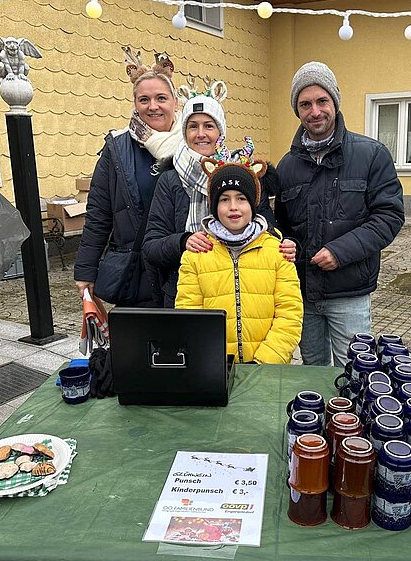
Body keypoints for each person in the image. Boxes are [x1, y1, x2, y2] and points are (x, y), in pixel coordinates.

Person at [276, 61, 405, 367]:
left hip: (350, 294)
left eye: (322, 101)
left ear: (334, 102)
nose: (315, 111)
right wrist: (287, 244)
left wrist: (339, 252)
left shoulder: (371, 154)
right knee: (313, 370)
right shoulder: (287, 166)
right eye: (305, 104)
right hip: (303, 294)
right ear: (297, 110)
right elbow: (282, 226)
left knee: (355, 369)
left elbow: (389, 216)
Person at [143, 78, 295, 308]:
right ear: (185, 132)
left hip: (244, 292)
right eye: (193, 126)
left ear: (220, 131)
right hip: (186, 293)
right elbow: (152, 246)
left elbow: (268, 230)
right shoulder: (170, 179)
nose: (201, 134)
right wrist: (183, 241)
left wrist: (285, 246)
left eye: (209, 126)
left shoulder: (244, 174)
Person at [74, 48, 182, 307]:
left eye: (161, 98)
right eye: (144, 99)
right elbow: (99, 213)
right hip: (136, 273)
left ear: (175, 102)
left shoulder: (193, 145)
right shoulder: (117, 149)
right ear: (135, 104)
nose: (153, 106)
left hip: (185, 270)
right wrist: (86, 270)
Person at [175, 145, 303, 364]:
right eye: (224, 199)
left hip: (267, 369)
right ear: (214, 205)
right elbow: (189, 315)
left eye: (241, 198)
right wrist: (212, 360)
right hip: (217, 366)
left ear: (253, 203)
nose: (233, 207)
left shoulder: (276, 251)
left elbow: (290, 314)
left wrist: (265, 361)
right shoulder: (196, 255)